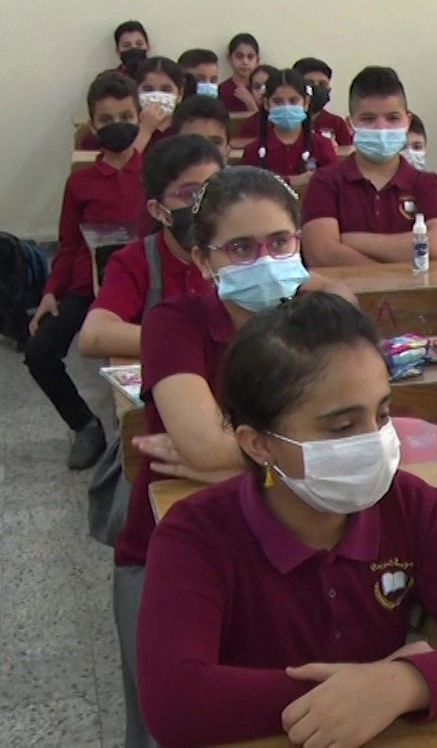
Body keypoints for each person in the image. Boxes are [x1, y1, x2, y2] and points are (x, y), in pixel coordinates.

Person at [137, 292, 437, 747]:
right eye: (343, 427)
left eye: (382, 414)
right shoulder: (194, 534)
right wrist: (356, 691)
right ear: (259, 444)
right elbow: (174, 701)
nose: (375, 440)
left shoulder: (409, 505)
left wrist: (399, 684)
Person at [114, 165, 353, 748]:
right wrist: (306, 451)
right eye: (241, 248)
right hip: (173, 548)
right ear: (203, 260)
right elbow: (201, 444)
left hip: (298, 543)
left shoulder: (321, 322)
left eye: (280, 242)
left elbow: (349, 442)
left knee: (299, 716)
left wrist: (232, 453)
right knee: (174, 723)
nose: (265, 260)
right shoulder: (175, 323)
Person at [27, 72, 147, 468]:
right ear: (93, 126)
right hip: (87, 287)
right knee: (39, 352)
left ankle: (146, 428)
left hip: (143, 283)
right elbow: (68, 246)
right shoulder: (80, 183)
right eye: (107, 119)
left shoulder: (154, 174)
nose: (117, 125)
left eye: (126, 116)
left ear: (140, 116)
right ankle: (84, 426)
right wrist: (50, 292)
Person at [76, 135, 226, 359]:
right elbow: (93, 335)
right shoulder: (136, 261)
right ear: (157, 210)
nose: (204, 204)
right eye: (190, 194)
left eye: (213, 190)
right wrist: (190, 342)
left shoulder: (239, 250)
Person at [302, 67, 437, 267]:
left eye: (393, 118)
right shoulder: (325, 182)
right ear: (350, 125)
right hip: (351, 290)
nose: (382, 128)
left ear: (407, 121)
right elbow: (322, 254)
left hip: (408, 290)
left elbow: (436, 247)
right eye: (368, 119)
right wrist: (398, 264)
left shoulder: (428, 184)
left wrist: (350, 240)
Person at [244, 67, 338, 190]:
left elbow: (335, 184)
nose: (286, 107)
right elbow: (247, 188)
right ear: (266, 104)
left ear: (306, 103)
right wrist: (289, 181)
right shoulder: (253, 150)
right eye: (278, 102)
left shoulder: (322, 146)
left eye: (293, 101)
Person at [78, 56, 186, 153]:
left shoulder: (185, 130)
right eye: (148, 89)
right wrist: (146, 129)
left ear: (180, 94)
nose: (156, 95)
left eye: (166, 90)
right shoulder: (122, 129)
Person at [292, 56, 355, 147]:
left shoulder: (336, 123)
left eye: (322, 84)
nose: (317, 88)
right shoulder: (285, 120)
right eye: (309, 83)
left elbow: (348, 151)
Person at [220, 32, 263, 115]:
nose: (245, 62)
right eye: (239, 56)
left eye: (250, 57)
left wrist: (250, 103)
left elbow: (266, 122)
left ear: (257, 60)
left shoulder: (262, 90)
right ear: (229, 58)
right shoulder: (221, 91)